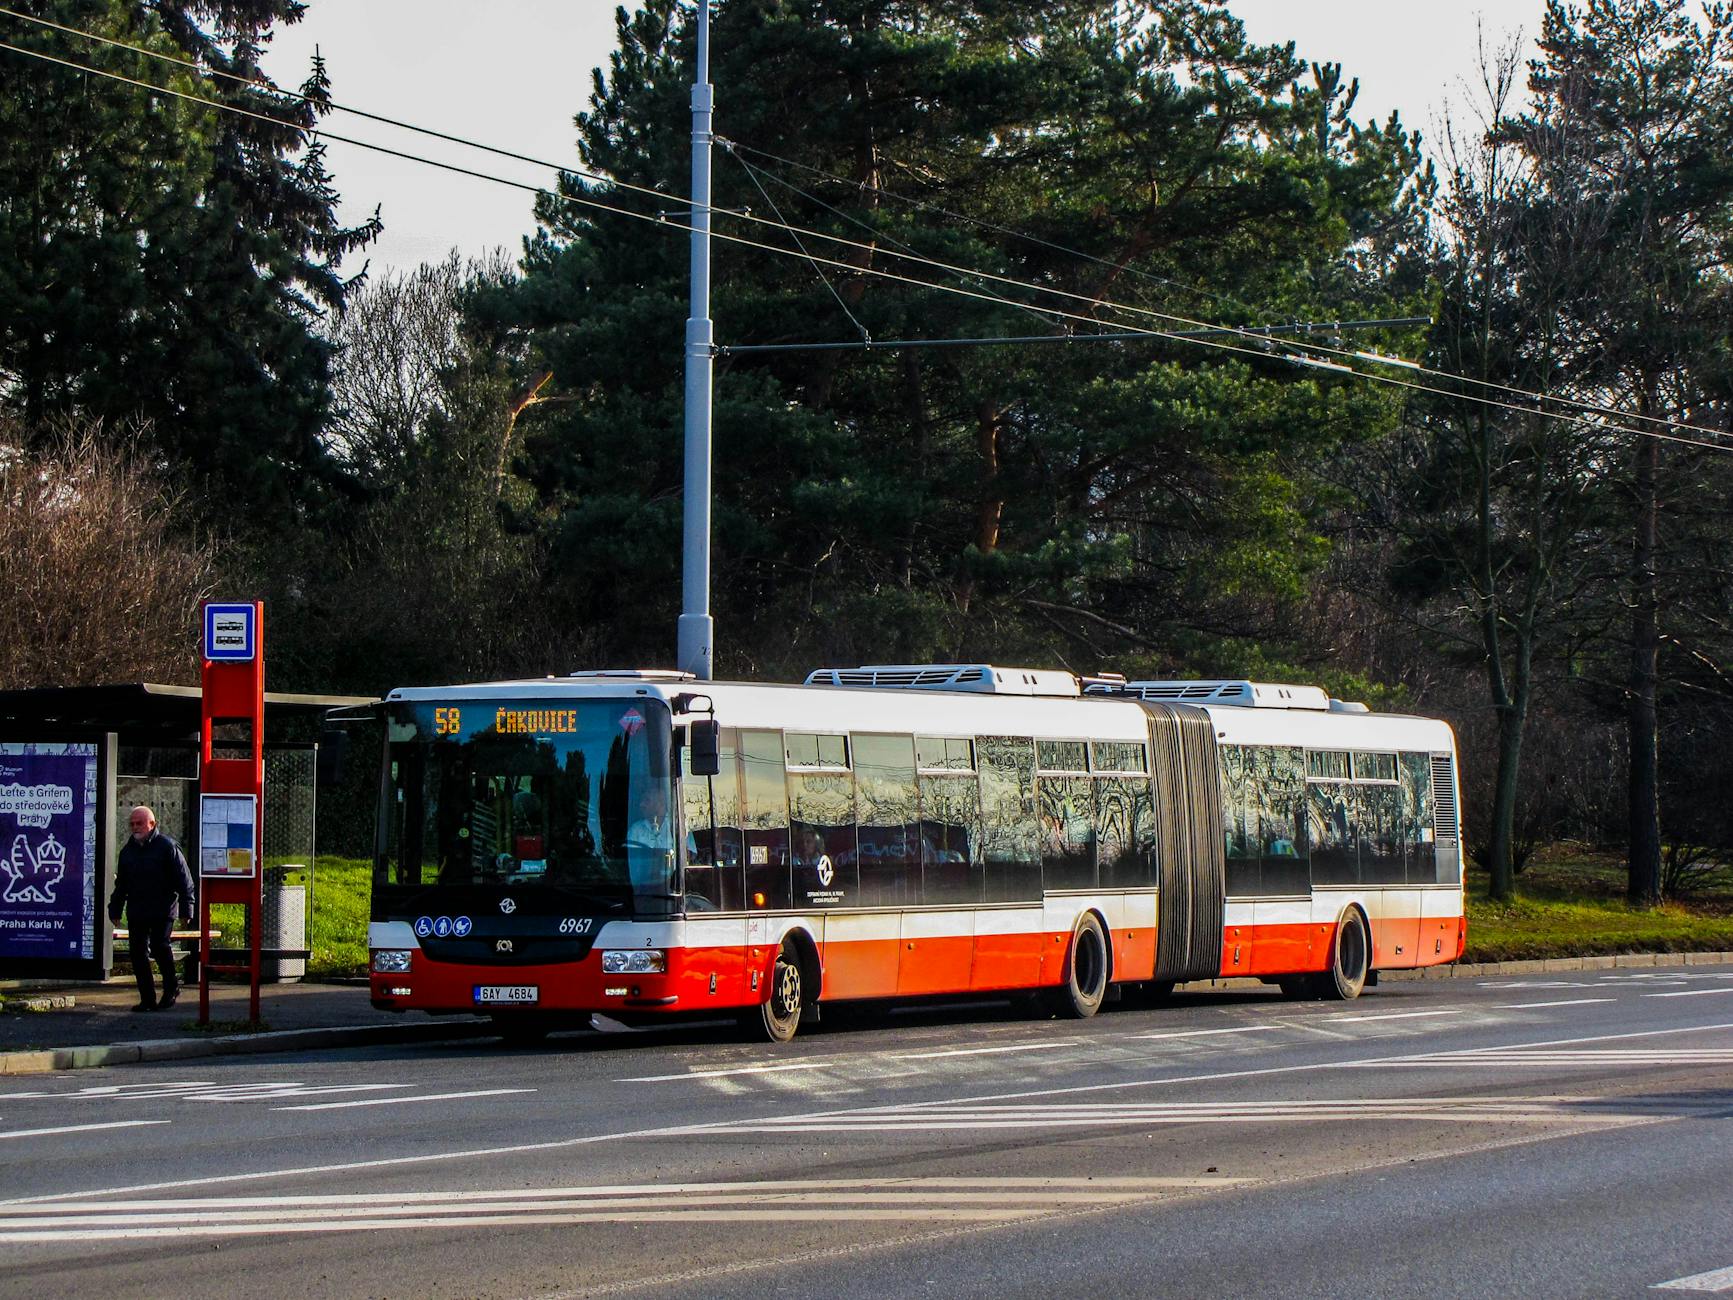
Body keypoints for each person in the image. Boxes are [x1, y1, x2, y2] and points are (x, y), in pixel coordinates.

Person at [107, 805, 195, 1012]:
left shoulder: (167, 847)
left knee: (159, 946)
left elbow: (184, 881)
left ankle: (171, 988)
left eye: (139, 823)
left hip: (163, 909)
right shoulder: (127, 851)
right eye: (132, 824)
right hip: (137, 910)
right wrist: (115, 909)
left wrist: (186, 910)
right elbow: (122, 885)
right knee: (138, 953)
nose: (135, 827)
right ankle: (147, 999)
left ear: (152, 824)